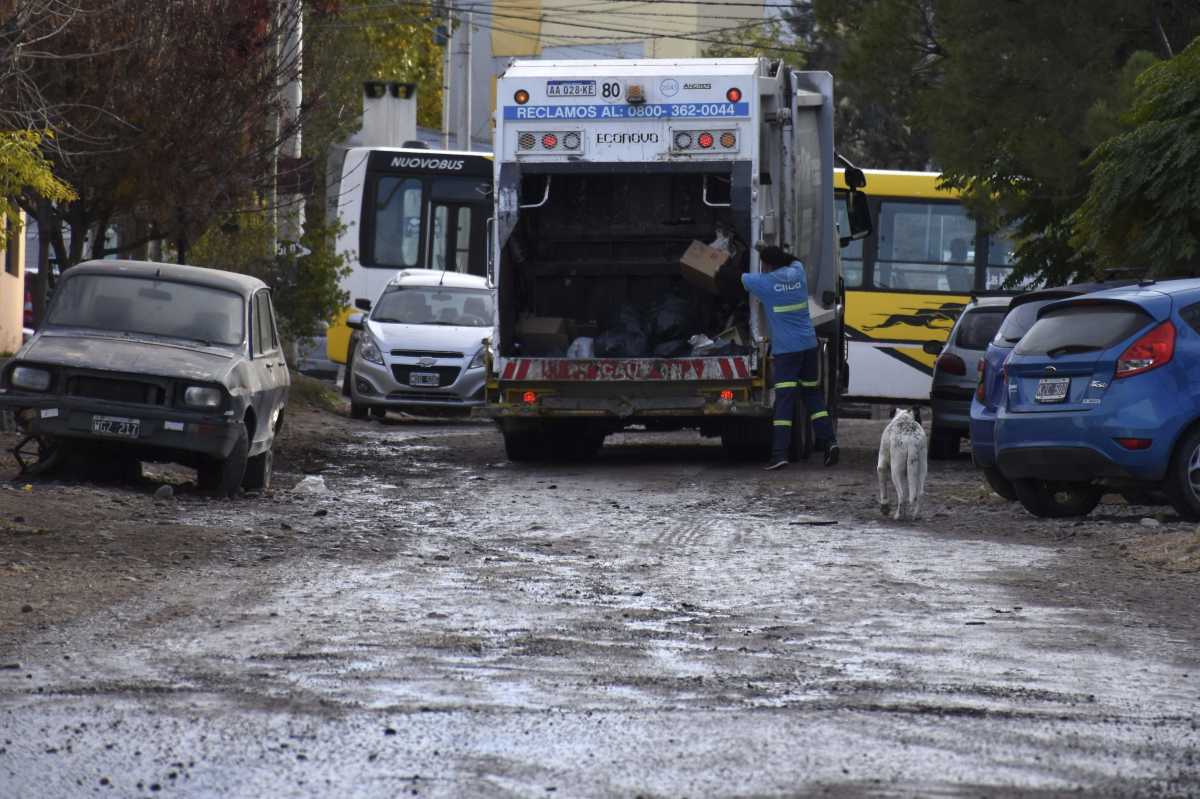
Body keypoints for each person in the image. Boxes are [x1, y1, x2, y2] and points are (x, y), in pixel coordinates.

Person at [741, 245, 839, 470]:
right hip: (808, 345)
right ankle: (830, 443)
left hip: (787, 351)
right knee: (812, 395)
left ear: (768, 265)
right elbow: (793, 259)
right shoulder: (798, 271)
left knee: (784, 401)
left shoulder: (764, 283)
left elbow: (740, 278)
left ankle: (779, 454)